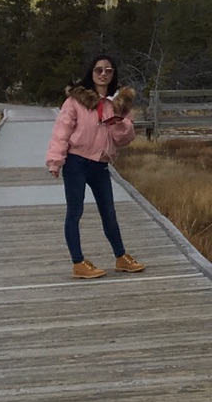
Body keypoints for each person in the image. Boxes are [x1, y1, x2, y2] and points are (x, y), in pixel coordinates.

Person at [46, 52, 143, 280]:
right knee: (75, 211)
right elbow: (61, 131)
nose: (103, 74)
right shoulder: (75, 101)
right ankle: (78, 262)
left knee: (109, 212)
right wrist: (55, 160)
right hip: (76, 162)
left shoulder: (118, 104)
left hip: (100, 165)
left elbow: (124, 138)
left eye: (108, 70)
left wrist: (120, 124)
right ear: (91, 73)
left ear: (113, 74)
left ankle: (121, 257)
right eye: (98, 70)